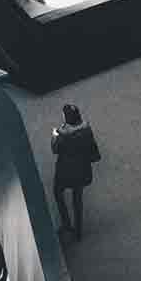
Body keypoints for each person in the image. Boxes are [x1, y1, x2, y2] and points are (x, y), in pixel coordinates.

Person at [51, 102, 101, 240]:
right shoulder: (86, 129)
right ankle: (78, 231)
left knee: (57, 192)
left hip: (65, 172)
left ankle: (67, 224)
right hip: (82, 169)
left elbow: (55, 149)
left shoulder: (62, 134)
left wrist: (54, 135)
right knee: (77, 198)